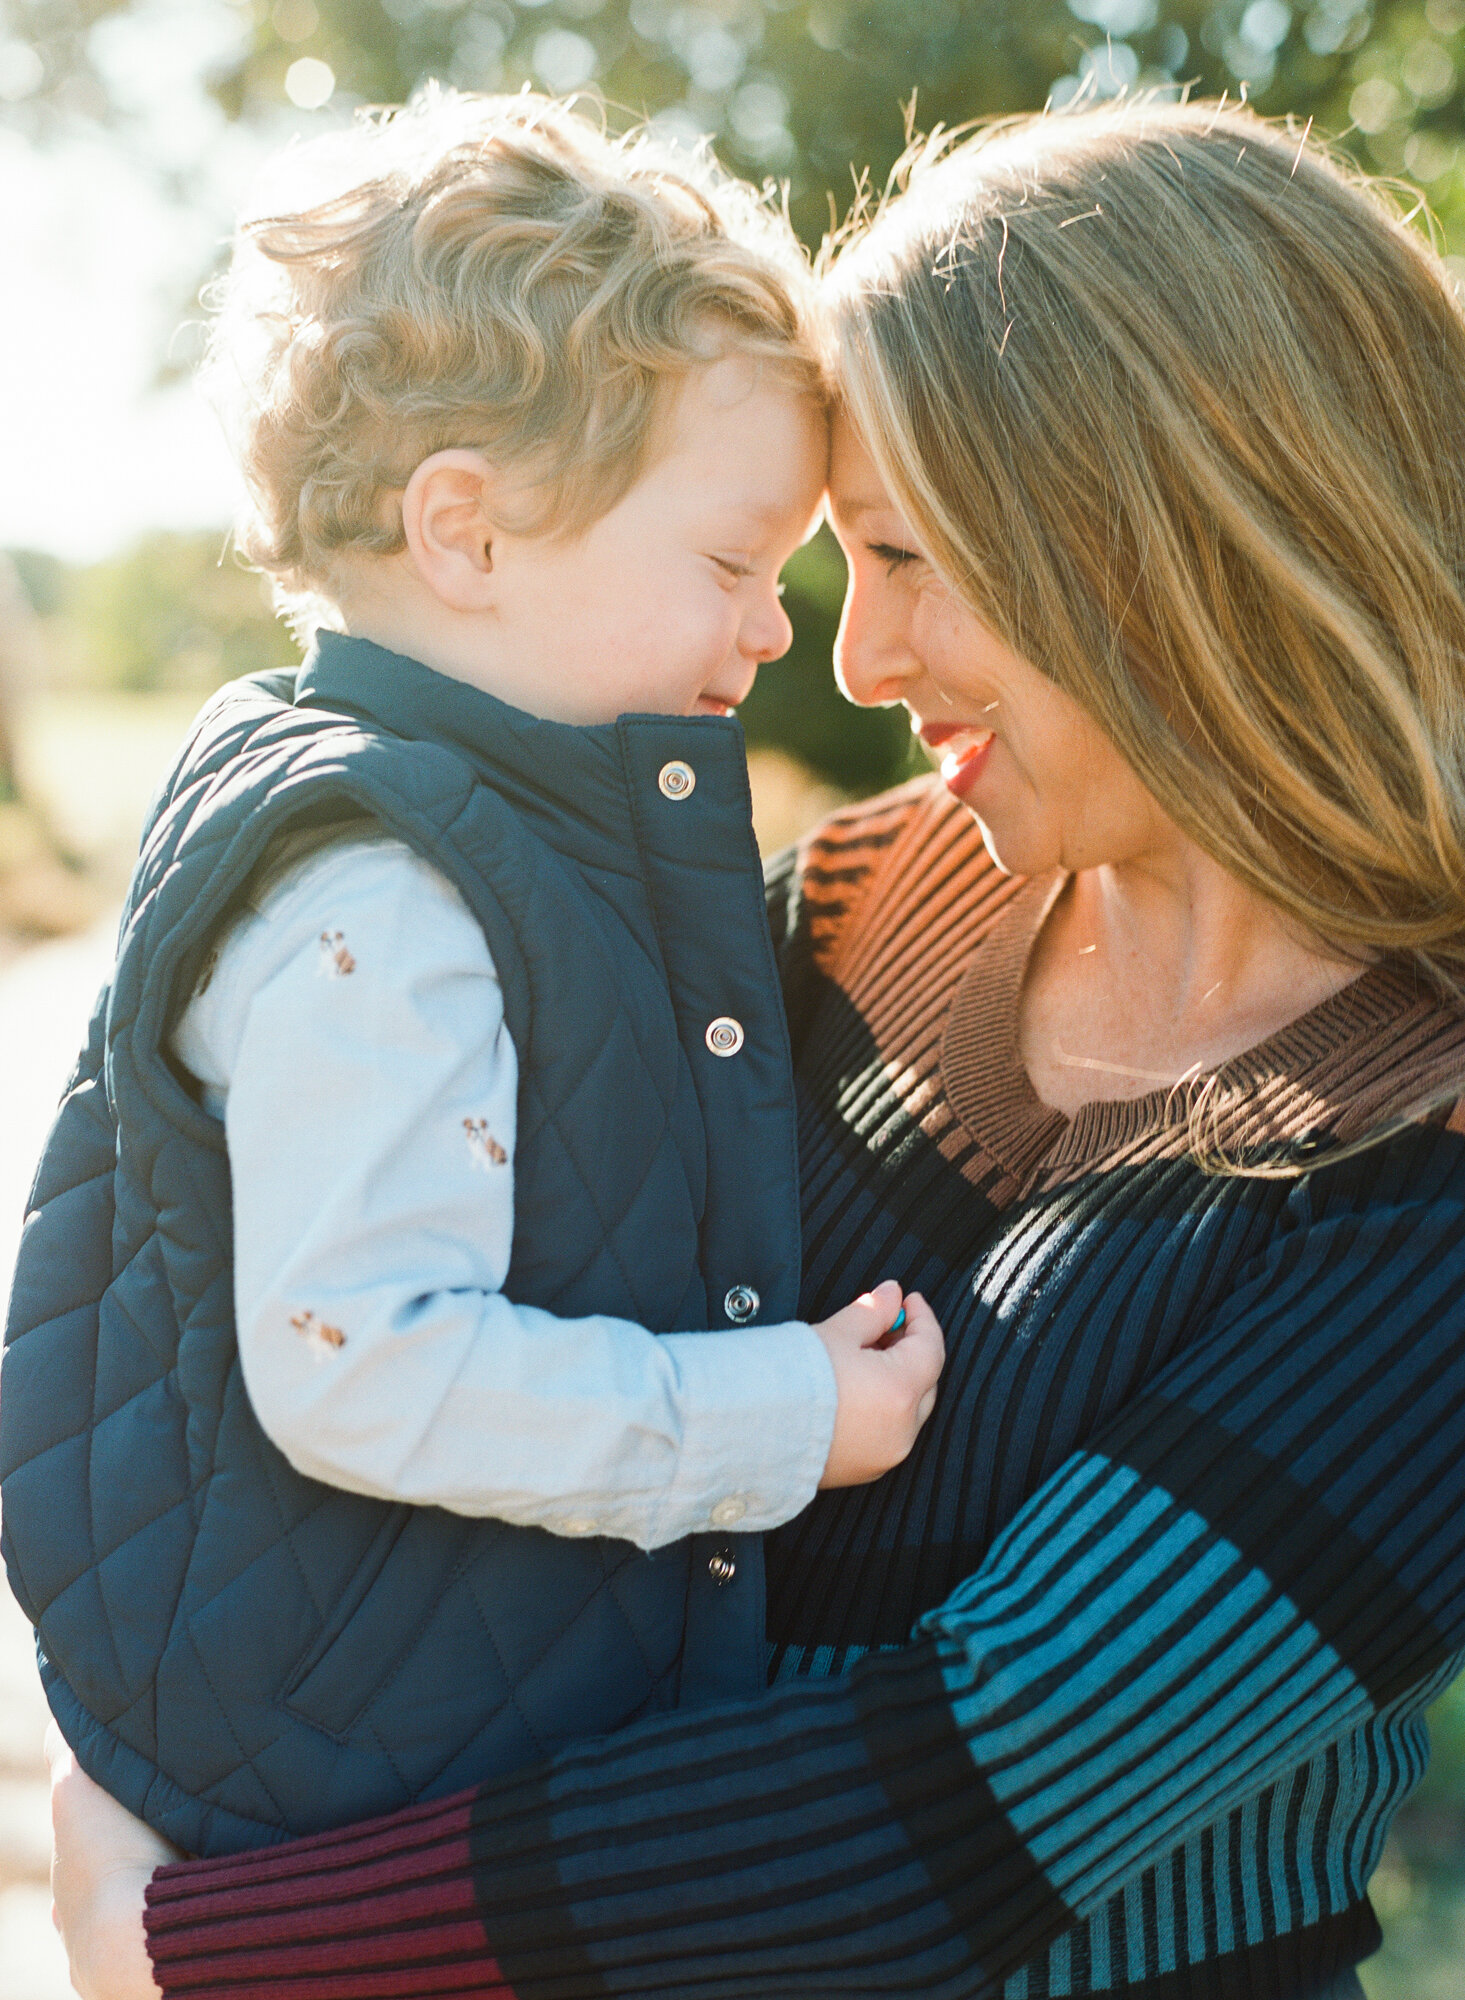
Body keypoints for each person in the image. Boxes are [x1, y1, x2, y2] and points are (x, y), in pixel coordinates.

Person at [45, 95, 1465, 2000]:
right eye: (822, 562)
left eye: (906, 556)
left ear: (1183, 545)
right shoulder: (843, 910)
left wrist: (199, 1947)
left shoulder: (1426, 1167)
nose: (852, 662)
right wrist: (156, 1724)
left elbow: (937, 1816)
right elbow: (316, 1340)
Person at [0, 89, 945, 1864]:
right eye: (735, 562)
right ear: (468, 532)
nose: (773, 625)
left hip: (405, 1706)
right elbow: (363, 1363)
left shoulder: (442, 821)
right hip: (365, 1746)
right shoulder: (387, 897)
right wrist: (781, 1415)